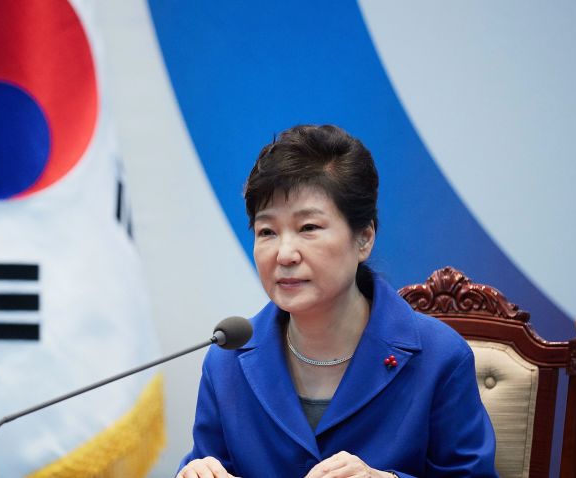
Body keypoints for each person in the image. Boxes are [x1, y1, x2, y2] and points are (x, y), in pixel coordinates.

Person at [176, 125, 497, 478]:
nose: (284, 254)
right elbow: (210, 462)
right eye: (267, 231)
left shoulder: (439, 357)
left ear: (364, 239)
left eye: (309, 227)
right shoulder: (228, 360)